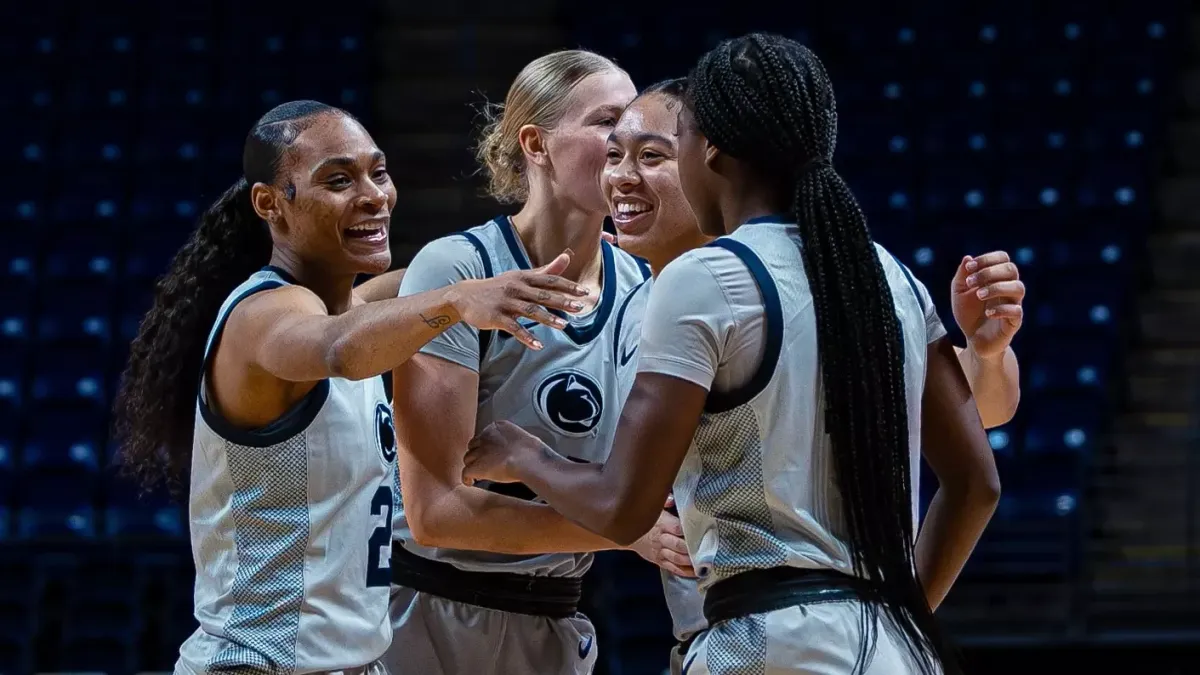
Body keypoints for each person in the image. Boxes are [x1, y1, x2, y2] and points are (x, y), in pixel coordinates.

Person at [462, 34, 1003, 675]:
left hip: (767, 641)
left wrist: (520, 451)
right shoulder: (889, 275)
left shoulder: (705, 279)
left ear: (709, 149)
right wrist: (905, 615)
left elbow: (623, 506)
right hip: (891, 644)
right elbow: (976, 484)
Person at [111, 100, 586, 675]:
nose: (373, 195)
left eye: (378, 172)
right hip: (261, 662)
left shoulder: (354, 307)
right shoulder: (264, 314)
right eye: (338, 179)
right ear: (270, 203)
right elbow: (339, 349)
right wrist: (457, 300)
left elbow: (426, 281)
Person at [601, 77, 1023, 674]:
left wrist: (986, 355)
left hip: (762, 635)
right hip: (833, 636)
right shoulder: (624, 306)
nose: (621, 175)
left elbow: (983, 413)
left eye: (652, 155)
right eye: (613, 154)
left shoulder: (772, 280)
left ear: (710, 158)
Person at [382, 50, 689, 675]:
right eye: (607, 122)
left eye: (635, 124)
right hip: (428, 615)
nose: (625, 139)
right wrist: (621, 531)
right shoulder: (458, 270)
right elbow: (435, 512)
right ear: (536, 144)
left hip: (557, 615)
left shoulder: (652, 289)